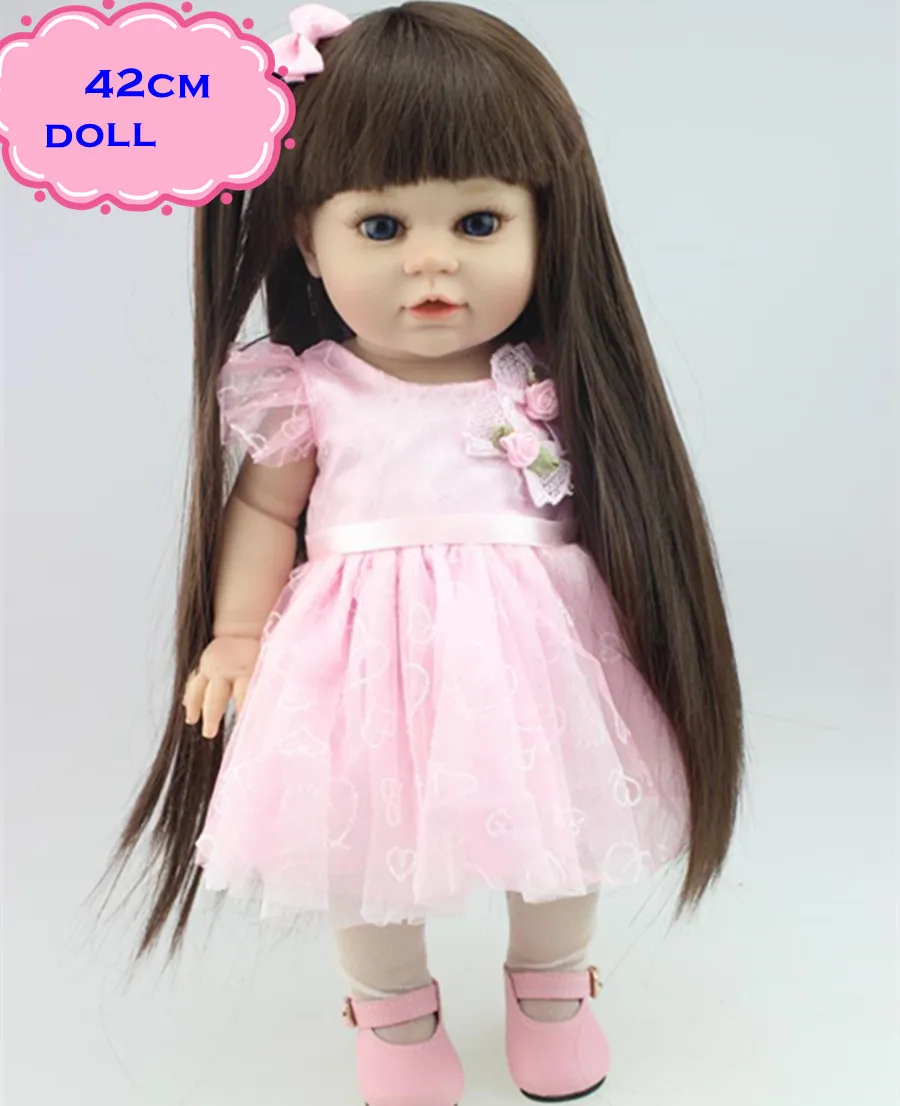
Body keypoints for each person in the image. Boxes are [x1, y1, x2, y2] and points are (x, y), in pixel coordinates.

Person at [98, 4, 744, 1102]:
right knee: (360, 843)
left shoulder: (551, 379)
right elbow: (265, 512)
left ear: (547, 226)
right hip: (358, 664)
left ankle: (554, 990)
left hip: (532, 656)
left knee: (560, 825)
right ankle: (394, 1018)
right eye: (382, 226)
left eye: (480, 221)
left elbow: (612, 514)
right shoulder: (310, 390)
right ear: (308, 239)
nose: (433, 261)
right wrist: (238, 632)